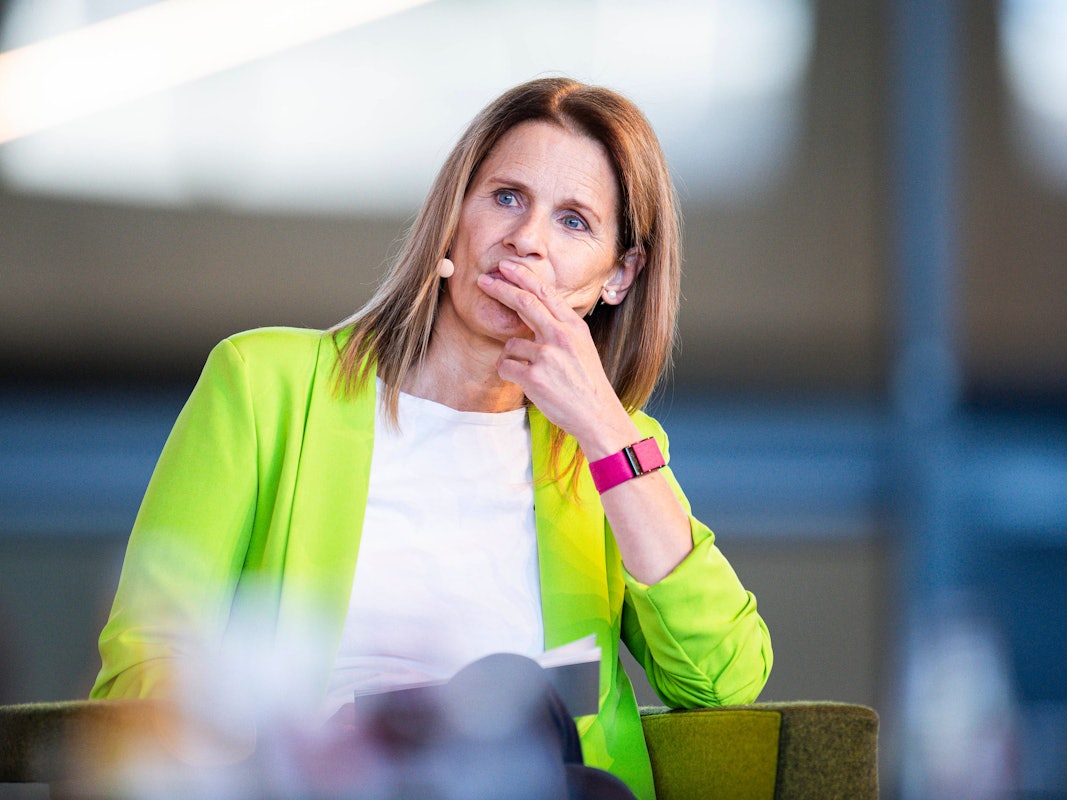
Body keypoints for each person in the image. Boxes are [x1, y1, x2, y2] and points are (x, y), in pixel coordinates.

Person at [90, 77, 772, 799]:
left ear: (619, 275)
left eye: (574, 221)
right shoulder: (263, 384)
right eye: (505, 197)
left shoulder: (614, 449)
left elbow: (724, 678)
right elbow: (145, 661)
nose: (527, 240)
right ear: (453, 217)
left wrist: (605, 428)